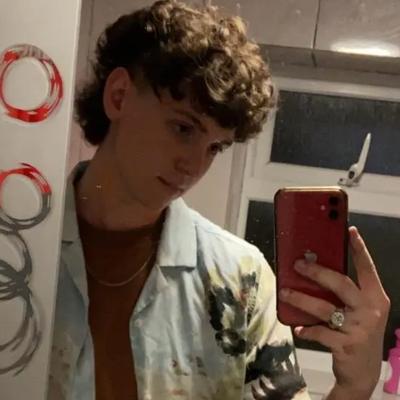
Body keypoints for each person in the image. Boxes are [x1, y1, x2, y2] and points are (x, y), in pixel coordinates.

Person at [47, 1, 390, 399]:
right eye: (183, 128)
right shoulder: (20, 244)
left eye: (215, 147)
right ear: (119, 96)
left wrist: (354, 386)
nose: (194, 166)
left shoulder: (241, 280)